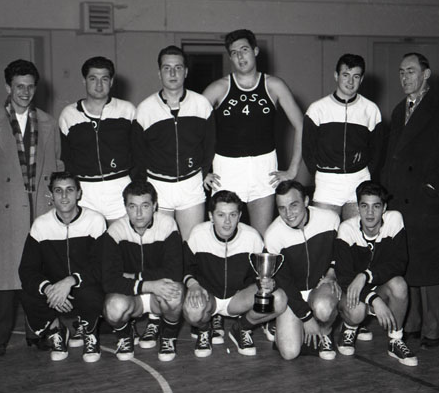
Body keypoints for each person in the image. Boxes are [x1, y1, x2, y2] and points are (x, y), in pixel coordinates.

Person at [0, 59, 62, 357]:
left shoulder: (48, 123)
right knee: (3, 282)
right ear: (8, 87)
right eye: (19, 86)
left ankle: (38, 332)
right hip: (4, 210)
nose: (25, 92)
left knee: (38, 277)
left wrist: (54, 197)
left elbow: (58, 163)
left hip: (39, 209)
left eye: (30, 87)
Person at [381, 52, 439, 349]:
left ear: (426, 74)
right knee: (407, 264)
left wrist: (435, 186)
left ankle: (433, 328)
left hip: (428, 202)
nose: (404, 77)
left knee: (432, 269)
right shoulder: (399, 110)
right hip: (400, 201)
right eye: (401, 72)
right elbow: (392, 156)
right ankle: (411, 323)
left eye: (411, 71)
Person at [203, 29, 304, 237]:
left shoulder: (274, 85)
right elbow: (191, 128)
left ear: (255, 51)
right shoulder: (218, 88)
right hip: (227, 170)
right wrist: (201, 169)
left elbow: (302, 125)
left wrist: (293, 169)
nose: (240, 57)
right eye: (234, 53)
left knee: (261, 236)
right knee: (224, 235)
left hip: (263, 168)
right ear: (230, 57)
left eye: (244, 50)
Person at [183, 190, 287, 358]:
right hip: (210, 297)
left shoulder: (252, 237)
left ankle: (241, 327)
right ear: (210, 216)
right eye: (221, 215)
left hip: (237, 299)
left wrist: (269, 283)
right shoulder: (198, 234)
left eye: (232, 215)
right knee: (192, 310)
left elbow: (264, 273)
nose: (227, 221)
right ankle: (204, 330)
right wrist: (193, 284)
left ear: (239, 216)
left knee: (279, 300)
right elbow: (186, 267)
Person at [18, 172, 107, 363]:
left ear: (79, 194)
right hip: (54, 290)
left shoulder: (95, 221)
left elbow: (102, 265)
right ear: (51, 195)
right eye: (58, 191)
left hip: (83, 285)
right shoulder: (40, 225)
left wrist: (70, 281)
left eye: (70, 190)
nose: (64, 196)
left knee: (94, 291)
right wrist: (49, 289)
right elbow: (26, 269)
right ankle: (56, 330)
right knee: (27, 293)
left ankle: (89, 332)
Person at [132, 46, 214, 241]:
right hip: (158, 187)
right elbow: (137, 153)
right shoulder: (145, 109)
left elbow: (210, 144)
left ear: (186, 72)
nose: (172, 73)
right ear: (159, 73)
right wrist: (144, 186)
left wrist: (204, 172)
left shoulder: (201, 104)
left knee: (192, 244)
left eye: (178, 68)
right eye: (167, 68)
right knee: (160, 246)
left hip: (191, 186)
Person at [334, 181, 417, 366]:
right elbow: (344, 277)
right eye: (364, 206)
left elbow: (399, 264)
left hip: (379, 286)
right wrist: (373, 300)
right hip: (355, 293)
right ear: (358, 207)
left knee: (399, 285)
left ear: (384, 208)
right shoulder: (347, 229)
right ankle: (349, 328)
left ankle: (395, 340)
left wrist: (366, 275)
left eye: (376, 206)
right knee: (356, 311)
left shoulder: (394, 220)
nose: (370, 213)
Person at [101, 179, 184, 362]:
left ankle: (167, 337)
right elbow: (108, 280)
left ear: (155, 206)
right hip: (133, 295)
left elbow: (175, 272)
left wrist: (135, 277)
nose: (139, 213)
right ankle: (126, 335)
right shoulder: (115, 231)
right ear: (125, 207)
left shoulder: (168, 225)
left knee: (175, 293)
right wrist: (149, 284)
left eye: (145, 206)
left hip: (156, 293)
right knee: (113, 307)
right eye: (133, 206)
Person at [264, 180, 341, 361]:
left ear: (306, 201)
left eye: (293, 205)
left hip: (321, 287)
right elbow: (284, 283)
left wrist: (332, 271)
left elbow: (341, 253)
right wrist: (306, 318)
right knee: (289, 353)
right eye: (282, 208)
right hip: (293, 293)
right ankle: (288, 325)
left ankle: (325, 332)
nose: (288, 214)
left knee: (323, 307)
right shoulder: (273, 235)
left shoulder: (330, 219)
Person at [302, 53, 383, 220]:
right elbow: (308, 150)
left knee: (355, 232)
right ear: (336, 75)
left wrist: (363, 171)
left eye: (356, 76)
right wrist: (321, 173)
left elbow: (377, 150)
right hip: (327, 183)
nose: (350, 81)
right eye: (345, 75)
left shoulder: (371, 109)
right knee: (325, 231)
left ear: (362, 79)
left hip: (359, 180)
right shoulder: (317, 109)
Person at [58, 56, 135, 223]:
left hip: (120, 188)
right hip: (85, 192)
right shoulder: (69, 114)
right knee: (88, 239)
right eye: (93, 78)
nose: (99, 85)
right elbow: (65, 159)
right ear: (84, 81)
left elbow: (138, 153)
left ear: (111, 82)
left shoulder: (127, 110)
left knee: (121, 238)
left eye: (104, 79)